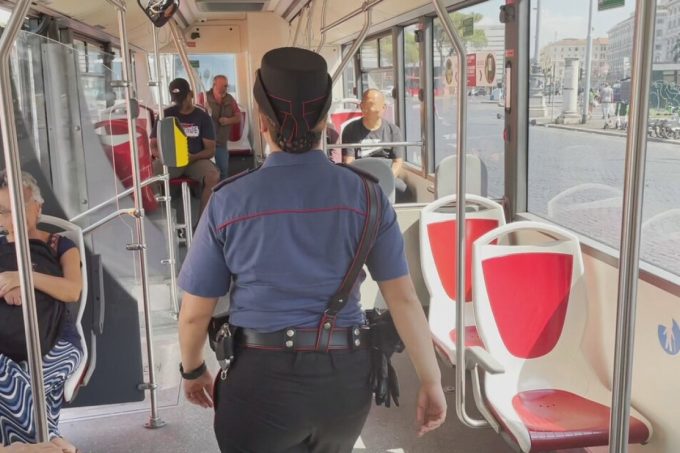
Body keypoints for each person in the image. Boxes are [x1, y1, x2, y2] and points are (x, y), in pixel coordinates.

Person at [178, 47, 446, 453]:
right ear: (325, 122)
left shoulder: (228, 200)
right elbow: (404, 299)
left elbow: (195, 313)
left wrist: (193, 369)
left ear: (261, 121)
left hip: (258, 382)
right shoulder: (368, 197)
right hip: (344, 384)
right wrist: (431, 380)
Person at [0, 171, 82, 453]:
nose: (11, 217)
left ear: (38, 206)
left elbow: (72, 290)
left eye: (19, 206)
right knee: (6, 374)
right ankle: (50, 439)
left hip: (59, 340)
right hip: (6, 342)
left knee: (13, 386)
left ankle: (24, 447)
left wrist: (23, 277)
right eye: (3, 211)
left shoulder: (61, 245)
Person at [150, 77, 219, 216]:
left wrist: (193, 157)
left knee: (213, 176)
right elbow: (153, 146)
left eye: (182, 99)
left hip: (195, 160)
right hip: (171, 161)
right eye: (176, 100)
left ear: (190, 94)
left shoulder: (203, 117)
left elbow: (210, 150)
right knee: (148, 175)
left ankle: (203, 220)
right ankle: (160, 217)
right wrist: (165, 157)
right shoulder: (165, 115)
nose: (179, 103)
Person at [341, 89, 407, 194]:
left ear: (383, 108)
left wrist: (387, 178)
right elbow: (349, 161)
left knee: (403, 190)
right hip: (361, 175)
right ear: (361, 106)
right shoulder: (350, 130)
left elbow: (397, 161)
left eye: (372, 104)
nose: (369, 109)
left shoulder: (393, 130)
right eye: (365, 104)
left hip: (385, 173)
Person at [206, 75, 241, 180]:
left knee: (223, 172)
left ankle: (223, 190)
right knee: (206, 173)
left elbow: (238, 117)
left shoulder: (230, 99)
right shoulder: (203, 97)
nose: (226, 88)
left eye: (226, 86)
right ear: (214, 85)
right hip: (205, 144)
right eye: (223, 86)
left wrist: (228, 120)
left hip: (221, 143)